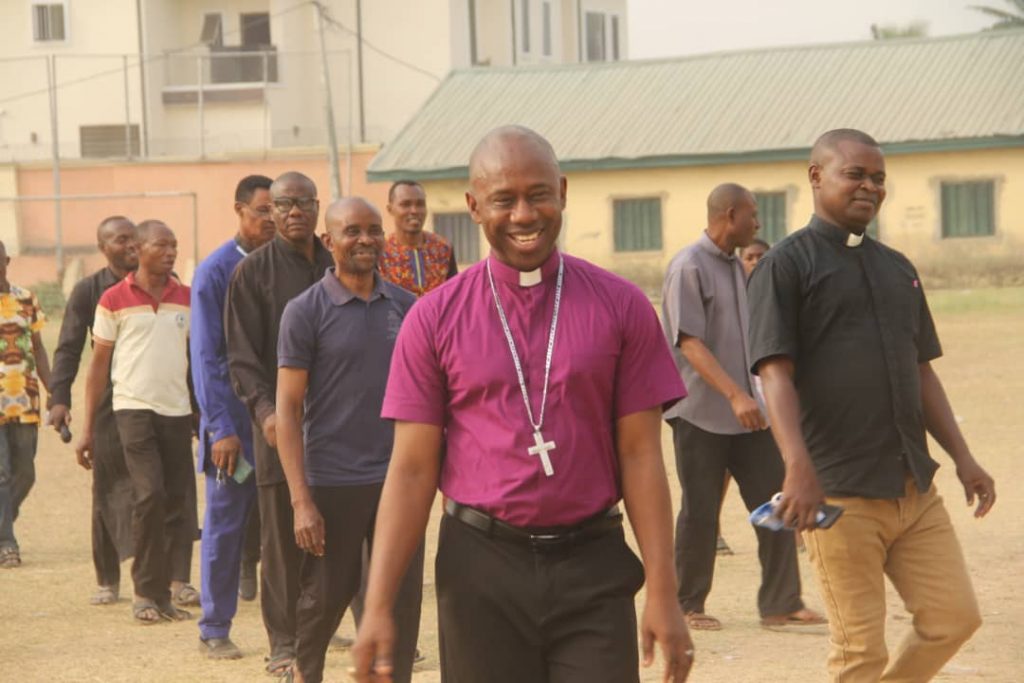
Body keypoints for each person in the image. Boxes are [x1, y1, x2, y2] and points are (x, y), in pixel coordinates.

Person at [352, 125, 695, 683]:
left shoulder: (622, 306)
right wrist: (378, 608)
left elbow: (641, 457)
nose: (523, 215)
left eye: (537, 194)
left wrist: (664, 591)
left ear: (562, 191)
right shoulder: (433, 318)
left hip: (592, 562)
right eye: (502, 200)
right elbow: (413, 470)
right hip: (480, 567)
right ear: (473, 206)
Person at [748, 129, 994, 682]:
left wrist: (963, 457)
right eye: (854, 174)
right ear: (816, 176)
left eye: (878, 177)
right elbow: (773, 372)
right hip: (837, 493)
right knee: (860, 651)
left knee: (954, 619)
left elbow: (921, 369)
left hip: (913, 488)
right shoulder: (785, 265)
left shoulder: (897, 267)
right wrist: (797, 468)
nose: (869, 186)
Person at [661, 184, 823, 632]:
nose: (758, 224)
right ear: (729, 215)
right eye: (752, 215)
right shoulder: (687, 266)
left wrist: (754, 396)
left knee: (774, 501)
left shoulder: (737, 266)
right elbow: (689, 343)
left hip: (749, 414)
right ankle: (687, 604)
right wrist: (734, 394)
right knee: (700, 510)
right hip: (700, 414)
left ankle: (780, 603)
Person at [276, 197, 423, 683]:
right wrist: (301, 501)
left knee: (401, 600)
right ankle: (304, 672)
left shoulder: (407, 308)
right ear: (328, 241)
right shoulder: (304, 312)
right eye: (352, 231)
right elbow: (288, 409)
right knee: (324, 597)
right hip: (332, 482)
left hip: (398, 481)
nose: (365, 240)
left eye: (373, 230)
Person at [225, 171, 334, 676]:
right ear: (269, 212)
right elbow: (242, 360)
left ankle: (340, 628)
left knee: (346, 534)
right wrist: (266, 415)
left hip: (340, 430)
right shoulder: (251, 275)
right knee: (283, 541)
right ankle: (284, 643)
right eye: (283, 204)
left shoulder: (337, 265)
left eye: (303, 203)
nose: (294, 212)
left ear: (317, 207)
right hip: (279, 432)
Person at [77, 220, 197, 625]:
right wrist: (88, 427)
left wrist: (203, 413)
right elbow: (97, 368)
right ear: (139, 250)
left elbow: (196, 362)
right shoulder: (113, 299)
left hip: (176, 412)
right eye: (161, 245)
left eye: (174, 245)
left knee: (174, 503)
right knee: (148, 495)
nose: (170, 252)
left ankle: (162, 595)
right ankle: (144, 591)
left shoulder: (187, 297)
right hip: (132, 410)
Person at [192, 175, 276, 658]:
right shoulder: (216, 271)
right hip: (236, 429)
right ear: (240, 210)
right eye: (263, 210)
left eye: (278, 209)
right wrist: (220, 428)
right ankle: (214, 627)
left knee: (297, 525)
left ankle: (307, 624)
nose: (272, 219)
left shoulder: (288, 264)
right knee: (225, 526)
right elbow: (207, 358)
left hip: (282, 422)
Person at [48, 216, 138, 598]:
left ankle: (168, 578)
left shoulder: (159, 285)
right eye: (121, 240)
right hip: (107, 401)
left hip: (153, 399)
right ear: (103, 248)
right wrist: (59, 399)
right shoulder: (88, 290)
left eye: (134, 237)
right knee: (107, 488)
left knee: (158, 488)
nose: (131, 245)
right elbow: (68, 346)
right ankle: (108, 580)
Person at [0, 241, 52, 569]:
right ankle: (7, 543)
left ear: (6, 260)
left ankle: (3, 522)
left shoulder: (26, 298)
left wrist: (56, 392)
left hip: (25, 398)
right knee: (1, 473)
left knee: (25, 473)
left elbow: (38, 348)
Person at [378, 180, 457, 296]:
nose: (414, 211)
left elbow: (455, 293)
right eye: (405, 204)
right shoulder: (381, 252)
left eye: (420, 204)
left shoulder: (443, 249)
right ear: (390, 209)